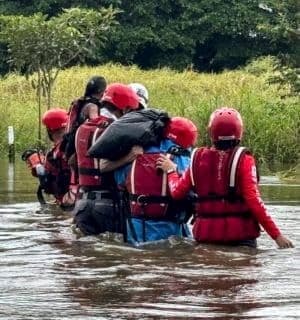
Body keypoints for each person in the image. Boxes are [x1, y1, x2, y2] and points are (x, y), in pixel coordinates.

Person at [156, 107, 294, 249]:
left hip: (206, 237)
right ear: (239, 132)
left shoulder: (197, 159)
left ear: (212, 133)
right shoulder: (244, 160)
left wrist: (172, 171)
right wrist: (277, 236)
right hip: (240, 237)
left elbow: (176, 192)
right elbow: (254, 201)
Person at [113, 117, 198, 245]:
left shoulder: (135, 154)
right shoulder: (181, 157)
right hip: (170, 231)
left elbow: (120, 182)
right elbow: (191, 186)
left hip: (136, 230)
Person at [72, 83, 140, 236]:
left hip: (82, 203)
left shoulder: (83, 128)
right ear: (126, 108)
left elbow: (71, 161)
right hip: (106, 204)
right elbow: (103, 166)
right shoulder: (114, 128)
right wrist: (130, 157)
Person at [61, 75, 107, 208]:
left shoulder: (81, 102)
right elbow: (95, 122)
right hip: (79, 147)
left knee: (75, 178)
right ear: (101, 91)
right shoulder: (92, 105)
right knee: (78, 179)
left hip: (71, 145)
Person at [23, 108, 71, 208]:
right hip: (75, 195)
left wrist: (36, 163)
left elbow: (45, 175)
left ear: (49, 130)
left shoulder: (56, 152)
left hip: (66, 201)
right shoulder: (73, 144)